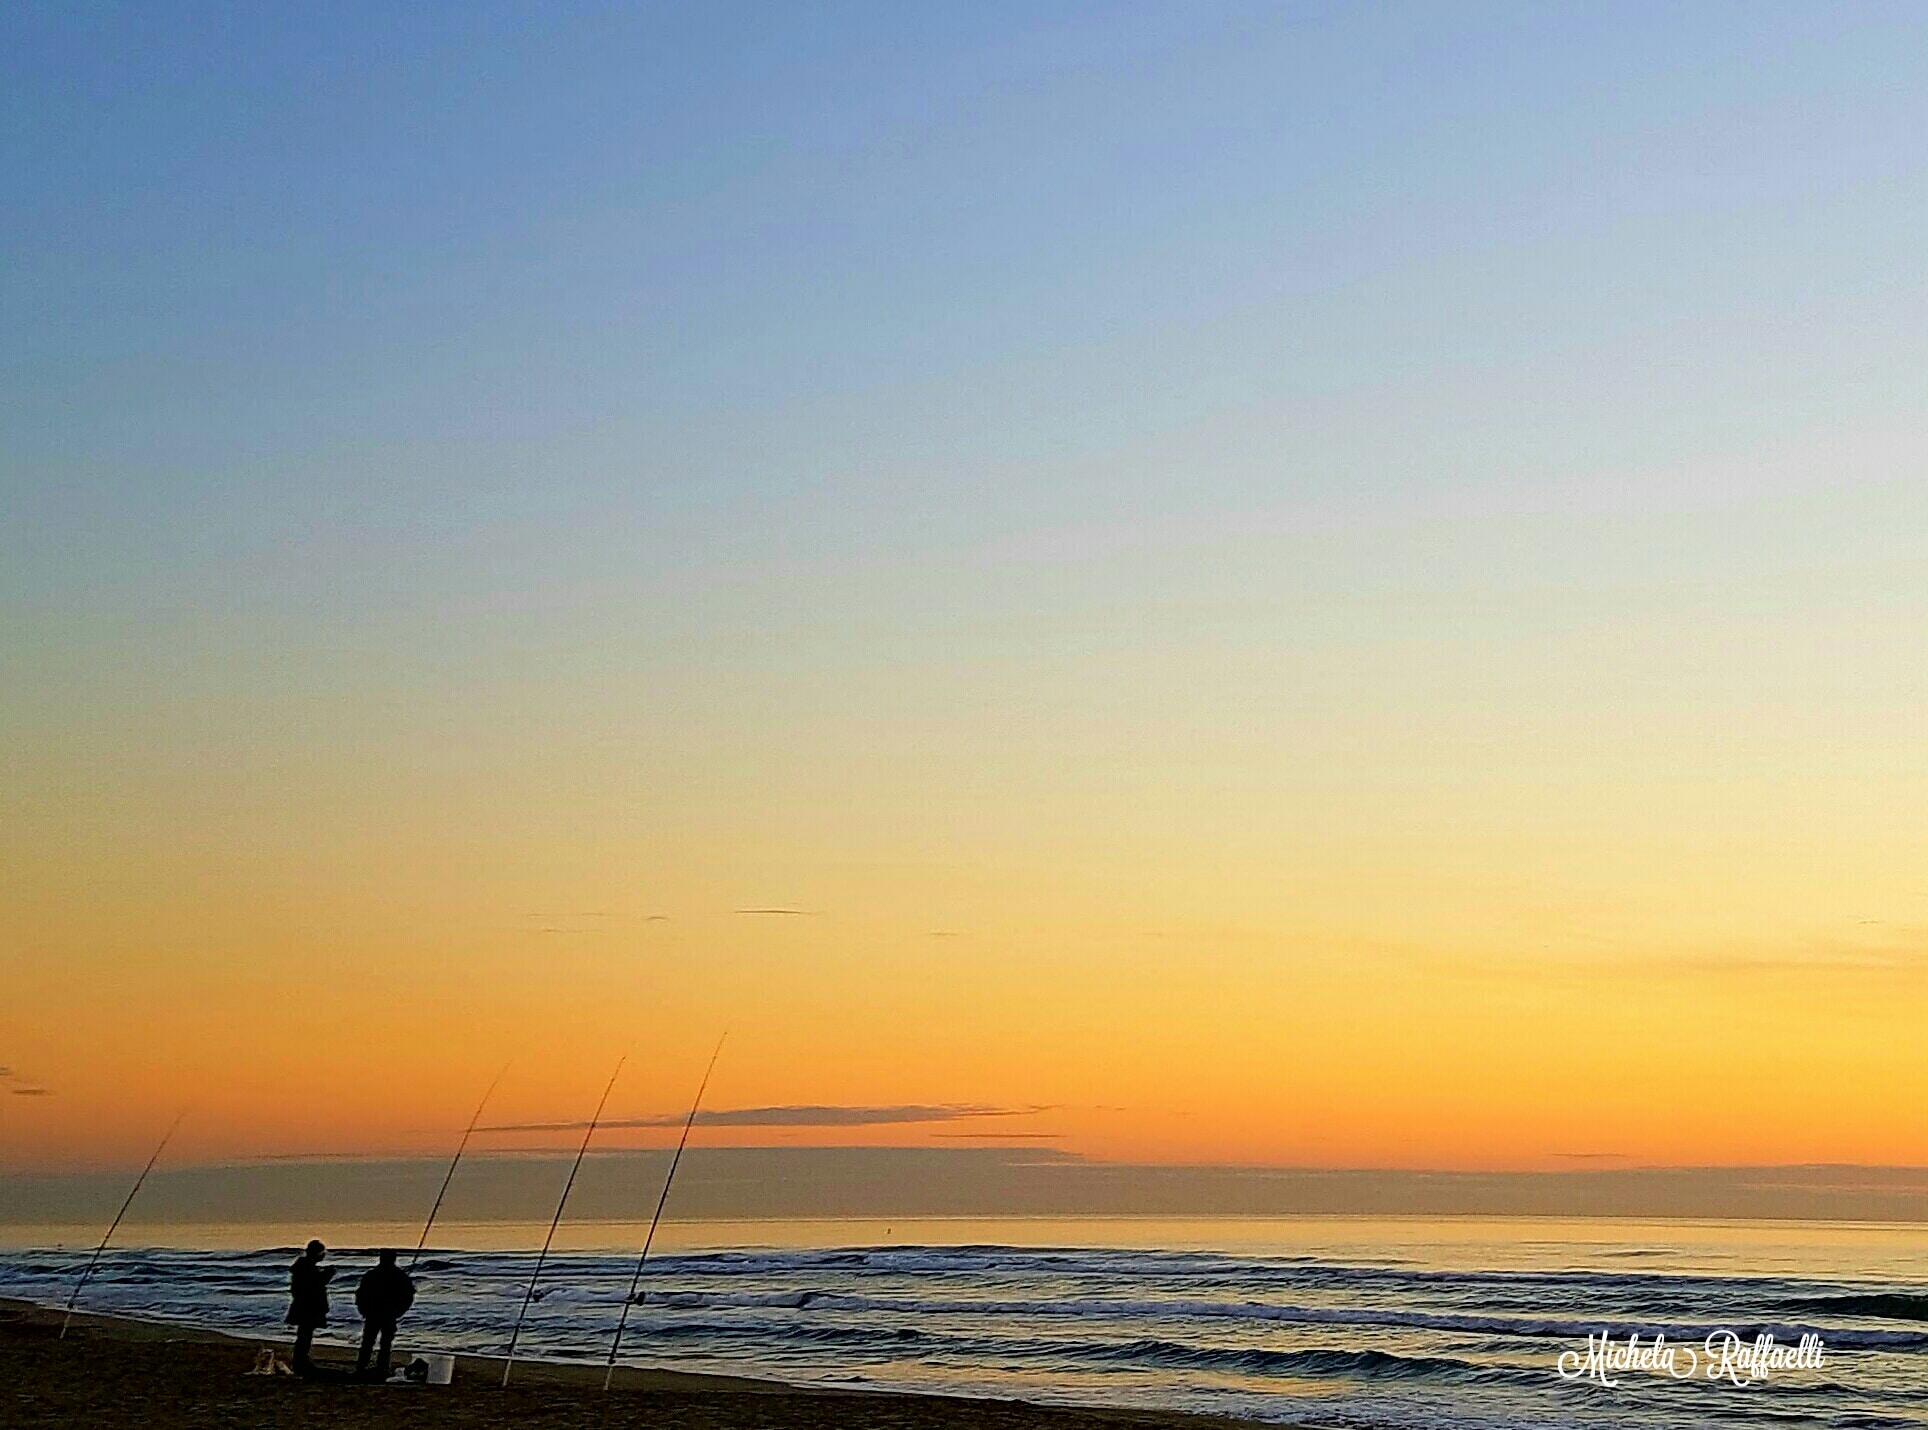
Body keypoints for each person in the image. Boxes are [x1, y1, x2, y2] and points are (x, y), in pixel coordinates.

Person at [354, 1249, 417, 1381]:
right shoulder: (400, 1276)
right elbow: (408, 1297)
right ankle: (381, 1368)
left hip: (373, 1314)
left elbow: (360, 1295)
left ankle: (361, 1367)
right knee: (385, 1343)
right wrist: (399, 1311)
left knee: (368, 1342)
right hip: (389, 1314)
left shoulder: (371, 1275)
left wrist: (363, 1310)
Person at [285, 1239, 334, 1376]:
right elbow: (314, 1285)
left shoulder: (304, 1267)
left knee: (304, 1334)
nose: (323, 1255)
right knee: (305, 1335)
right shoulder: (308, 1268)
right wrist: (327, 1275)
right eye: (322, 1253)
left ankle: (300, 1361)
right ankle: (300, 1362)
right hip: (308, 1307)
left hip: (303, 1305)